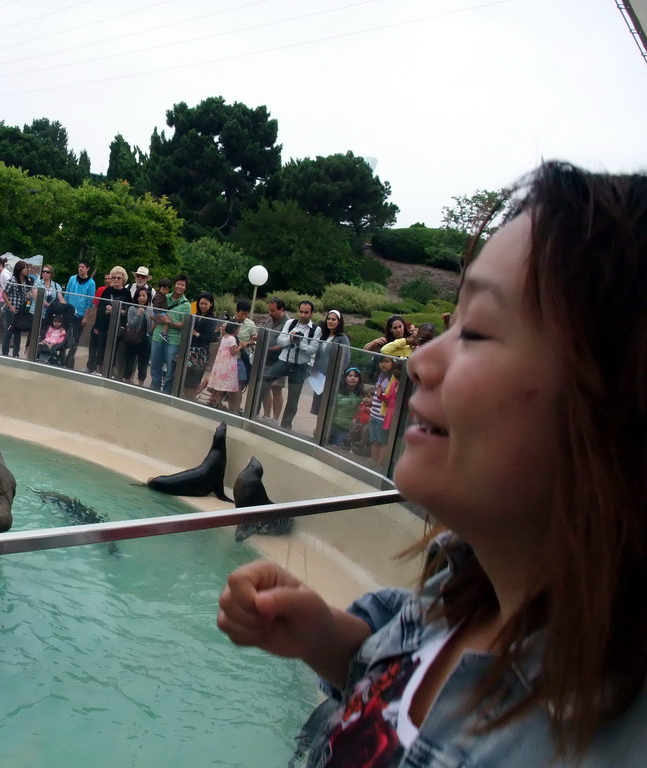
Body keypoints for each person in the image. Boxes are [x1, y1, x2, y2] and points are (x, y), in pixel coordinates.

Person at [218, 162, 647, 767]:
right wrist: (328, 639)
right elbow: (399, 654)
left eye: (476, 331)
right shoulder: (465, 591)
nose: (420, 362)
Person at [261, 300, 319, 429]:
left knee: (293, 400)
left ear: (311, 313)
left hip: (300, 365)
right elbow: (281, 341)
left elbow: (313, 349)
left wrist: (300, 343)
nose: (303, 315)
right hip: (284, 361)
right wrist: (290, 338)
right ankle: (253, 411)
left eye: (306, 312)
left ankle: (285, 426)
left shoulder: (316, 329)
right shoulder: (290, 323)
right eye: (301, 312)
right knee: (264, 379)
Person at [148, 274, 191, 393]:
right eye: (178, 283)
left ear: (185, 287)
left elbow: (184, 325)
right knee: (155, 364)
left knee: (170, 369)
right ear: (174, 284)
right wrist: (159, 319)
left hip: (173, 340)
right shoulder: (163, 296)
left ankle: (167, 393)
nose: (180, 286)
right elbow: (152, 314)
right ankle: (154, 389)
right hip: (158, 335)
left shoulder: (186, 305)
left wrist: (170, 323)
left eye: (183, 285)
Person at [310, 309, 352, 427]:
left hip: (332, 378)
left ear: (339, 322)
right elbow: (318, 355)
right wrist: (314, 369)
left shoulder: (342, 337)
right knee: (319, 407)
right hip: (320, 377)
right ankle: (317, 431)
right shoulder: (324, 336)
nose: (330, 321)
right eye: (329, 319)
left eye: (333, 319)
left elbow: (346, 358)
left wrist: (337, 373)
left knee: (328, 407)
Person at [87, 266, 129, 374]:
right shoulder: (106, 291)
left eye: (118, 278)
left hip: (118, 325)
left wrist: (118, 311)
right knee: (101, 347)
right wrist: (97, 325)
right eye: (113, 277)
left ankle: (110, 372)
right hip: (104, 324)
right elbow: (100, 309)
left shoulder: (127, 293)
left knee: (114, 350)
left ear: (123, 279)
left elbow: (128, 311)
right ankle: (98, 371)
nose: (115, 280)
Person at [258, 297, 291, 424]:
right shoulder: (269, 321)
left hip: (279, 362)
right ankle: (266, 416)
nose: (270, 313)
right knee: (265, 388)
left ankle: (275, 419)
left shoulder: (288, 323)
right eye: (269, 310)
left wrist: (269, 349)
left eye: (273, 310)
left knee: (276, 389)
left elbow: (285, 343)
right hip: (265, 360)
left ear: (281, 309)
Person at [183, 291, 220, 399]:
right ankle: (185, 397)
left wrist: (197, 334)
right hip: (190, 349)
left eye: (205, 304)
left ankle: (190, 399)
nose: (203, 306)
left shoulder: (211, 319)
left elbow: (210, 338)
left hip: (201, 352)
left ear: (211, 304)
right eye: (201, 303)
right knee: (186, 378)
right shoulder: (196, 315)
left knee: (195, 379)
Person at [63, 259, 97, 368]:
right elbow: (67, 294)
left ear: (87, 269)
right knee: (64, 336)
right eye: (79, 266)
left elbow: (90, 302)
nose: (80, 269)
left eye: (83, 267)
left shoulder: (91, 283)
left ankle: (69, 361)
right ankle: (61, 358)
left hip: (80, 314)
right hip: (69, 311)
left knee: (75, 338)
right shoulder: (72, 279)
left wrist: (86, 317)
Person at [368, 355, 398, 465]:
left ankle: (379, 465)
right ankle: (373, 462)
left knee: (382, 441)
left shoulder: (393, 379)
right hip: (374, 413)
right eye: (381, 362)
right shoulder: (380, 375)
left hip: (383, 415)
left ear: (392, 363)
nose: (383, 364)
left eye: (386, 361)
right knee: (374, 440)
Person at [204, 321, 241, 411]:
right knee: (222, 386)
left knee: (217, 383)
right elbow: (233, 352)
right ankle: (217, 402)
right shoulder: (232, 339)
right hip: (227, 364)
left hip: (220, 363)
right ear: (235, 329)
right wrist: (241, 346)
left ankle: (212, 399)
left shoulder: (224, 337)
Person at [121, 285, 153, 385]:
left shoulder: (149, 310)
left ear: (148, 297)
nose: (142, 298)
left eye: (144, 296)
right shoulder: (132, 309)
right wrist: (138, 314)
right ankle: (126, 381)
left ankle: (140, 384)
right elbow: (130, 324)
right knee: (129, 361)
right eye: (139, 295)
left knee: (143, 363)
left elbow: (149, 327)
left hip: (144, 339)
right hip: (132, 339)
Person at [1, 261, 33, 358]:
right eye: (24, 268)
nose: (26, 270)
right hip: (11, 309)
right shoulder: (13, 280)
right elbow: (4, 293)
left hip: (20, 310)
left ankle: (16, 353)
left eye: (27, 268)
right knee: (9, 330)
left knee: (17, 331)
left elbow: (30, 292)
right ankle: (5, 352)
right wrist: (10, 306)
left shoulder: (27, 281)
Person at [328, 367, 365, 447]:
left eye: (355, 376)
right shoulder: (337, 392)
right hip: (332, 424)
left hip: (345, 428)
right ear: (345, 378)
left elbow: (359, 412)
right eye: (350, 375)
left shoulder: (361, 395)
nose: (353, 378)